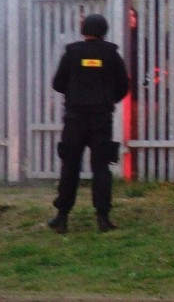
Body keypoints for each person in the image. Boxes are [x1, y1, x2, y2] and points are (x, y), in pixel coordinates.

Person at [48, 13, 129, 234]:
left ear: (84, 31)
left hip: (75, 118)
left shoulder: (72, 53)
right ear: (104, 31)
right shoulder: (111, 54)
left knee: (70, 166)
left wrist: (76, 95)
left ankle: (62, 217)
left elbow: (57, 83)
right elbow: (124, 85)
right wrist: (107, 99)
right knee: (101, 167)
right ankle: (103, 217)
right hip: (102, 118)